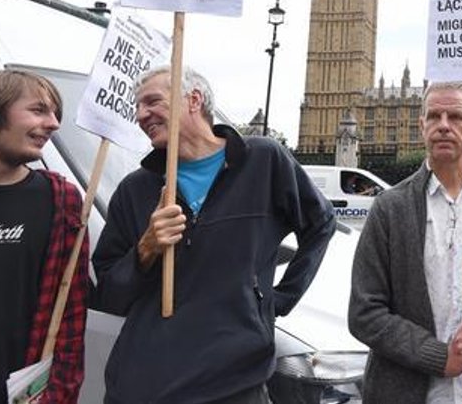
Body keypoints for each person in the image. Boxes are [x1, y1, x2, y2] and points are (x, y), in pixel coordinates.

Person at [92, 66, 335, 404]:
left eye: (152, 102)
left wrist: (277, 300)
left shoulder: (263, 161)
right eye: (138, 106)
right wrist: (145, 250)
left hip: (235, 383)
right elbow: (108, 296)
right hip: (147, 385)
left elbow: (321, 223)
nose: (141, 114)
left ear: (194, 100)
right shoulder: (134, 190)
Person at [349, 82, 462, 404]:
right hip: (401, 392)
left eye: (456, 117)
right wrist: (439, 356)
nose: (444, 125)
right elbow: (364, 313)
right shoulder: (390, 208)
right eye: (434, 116)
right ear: (421, 125)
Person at [0, 70, 89, 403]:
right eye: (38, 110)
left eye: (55, 113)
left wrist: (56, 394)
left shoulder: (61, 200)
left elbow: (69, 320)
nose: (53, 124)